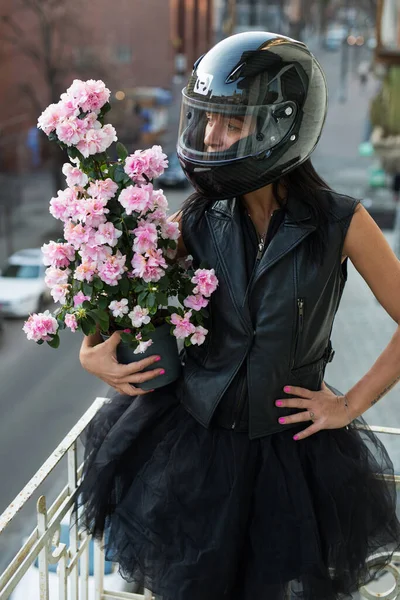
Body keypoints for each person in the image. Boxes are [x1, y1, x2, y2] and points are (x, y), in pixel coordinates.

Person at [77, 32, 400, 600]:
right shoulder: (195, 218)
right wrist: (91, 348)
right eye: (205, 119)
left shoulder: (342, 221)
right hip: (194, 448)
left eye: (231, 123)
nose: (210, 137)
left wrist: (350, 404)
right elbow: (130, 301)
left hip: (293, 457)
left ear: (284, 124)